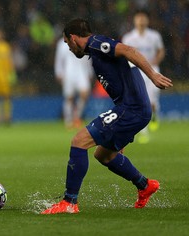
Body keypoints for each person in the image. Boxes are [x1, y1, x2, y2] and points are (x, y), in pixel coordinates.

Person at [41, 19, 173, 214]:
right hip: (131, 109)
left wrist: (153, 75)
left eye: (67, 43)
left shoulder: (97, 44)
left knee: (79, 141)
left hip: (132, 109)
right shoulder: (95, 52)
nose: (68, 48)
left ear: (74, 38)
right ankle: (145, 186)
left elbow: (130, 51)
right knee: (104, 155)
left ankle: (69, 202)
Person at [122, 10, 165, 143]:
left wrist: (156, 61)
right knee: (141, 101)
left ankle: (155, 115)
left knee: (152, 102)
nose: (141, 20)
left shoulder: (154, 36)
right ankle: (144, 131)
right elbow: (124, 54)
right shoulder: (128, 38)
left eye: (143, 18)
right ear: (134, 21)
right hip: (136, 71)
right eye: (138, 18)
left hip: (152, 71)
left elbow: (161, 50)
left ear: (147, 20)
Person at [54, 37, 93, 129]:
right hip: (68, 72)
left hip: (82, 71)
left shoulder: (84, 41)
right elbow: (59, 59)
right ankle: (68, 120)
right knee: (69, 97)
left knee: (84, 94)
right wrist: (59, 72)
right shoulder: (62, 43)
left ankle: (77, 116)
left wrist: (90, 72)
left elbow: (88, 57)